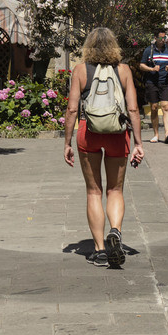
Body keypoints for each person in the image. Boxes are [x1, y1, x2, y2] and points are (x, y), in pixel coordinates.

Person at [64, 27, 145, 267]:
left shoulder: (80, 70)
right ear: (114, 46)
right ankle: (115, 232)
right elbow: (133, 109)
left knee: (93, 191)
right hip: (117, 135)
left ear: (88, 46)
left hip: (88, 133)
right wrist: (139, 143)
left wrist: (67, 142)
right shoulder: (124, 71)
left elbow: (71, 109)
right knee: (115, 190)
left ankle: (99, 250)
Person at [138, 28, 168, 144]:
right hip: (152, 82)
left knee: (166, 107)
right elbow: (141, 65)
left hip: (165, 82)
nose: (162, 40)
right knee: (154, 107)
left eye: (164, 37)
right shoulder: (149, 50)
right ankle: (156, 134)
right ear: (155, 38)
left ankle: (167, 134)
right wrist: (151, 69)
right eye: (160, 38)